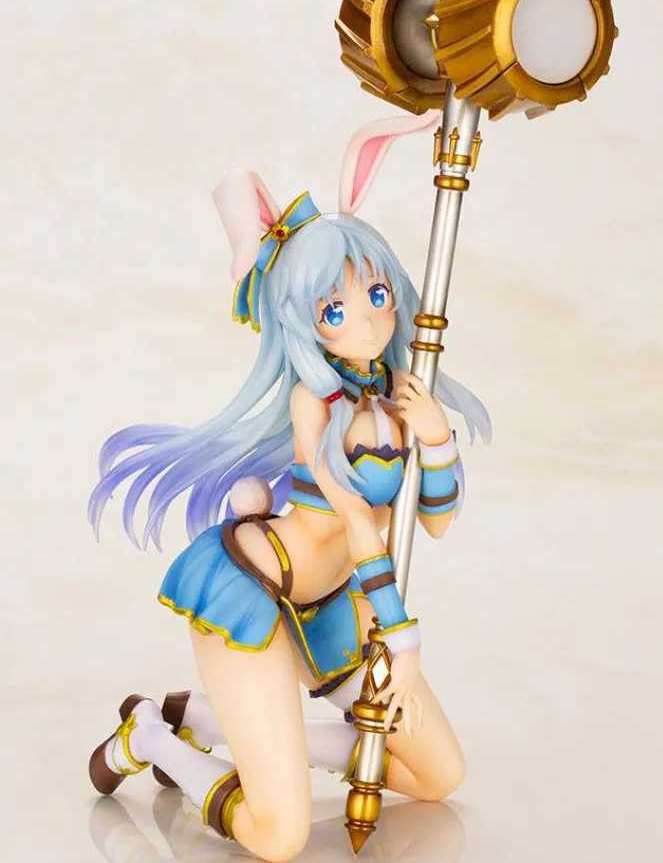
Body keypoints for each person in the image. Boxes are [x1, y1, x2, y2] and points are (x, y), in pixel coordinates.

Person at [87, 110, 491, 863]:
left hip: (334, 605)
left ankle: (208, 722)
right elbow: (357, 520)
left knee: (438, 776)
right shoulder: (317, 403)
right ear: (305, 325)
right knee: (280, 836)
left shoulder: (402, 392)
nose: (366, 322)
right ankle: (153, 738)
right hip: (257, 593)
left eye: (376, 294)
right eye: (335, 310)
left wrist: (436, 438)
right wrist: (401, 641)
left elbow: (433, 521)